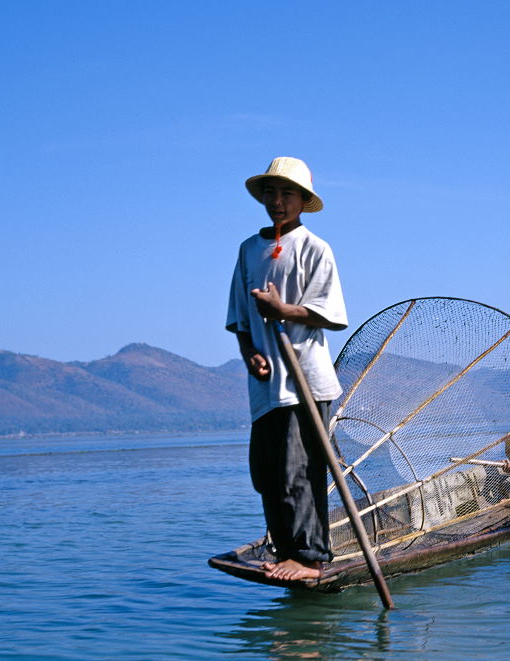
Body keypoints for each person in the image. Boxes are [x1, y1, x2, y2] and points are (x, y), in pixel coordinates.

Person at [226, 156, 348, 581]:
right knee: (266, 473)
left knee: (300, 469)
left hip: (305, 380)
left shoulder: (316, 249)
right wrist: (248, 353)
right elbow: (240, 316)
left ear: (302, 201)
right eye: (271, 193)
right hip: (265, 384)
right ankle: (285, 549)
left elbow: (329, 313)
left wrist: (283, 309)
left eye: (287, 194)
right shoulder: (248, 250)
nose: (277, 201)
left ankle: (311, 558)